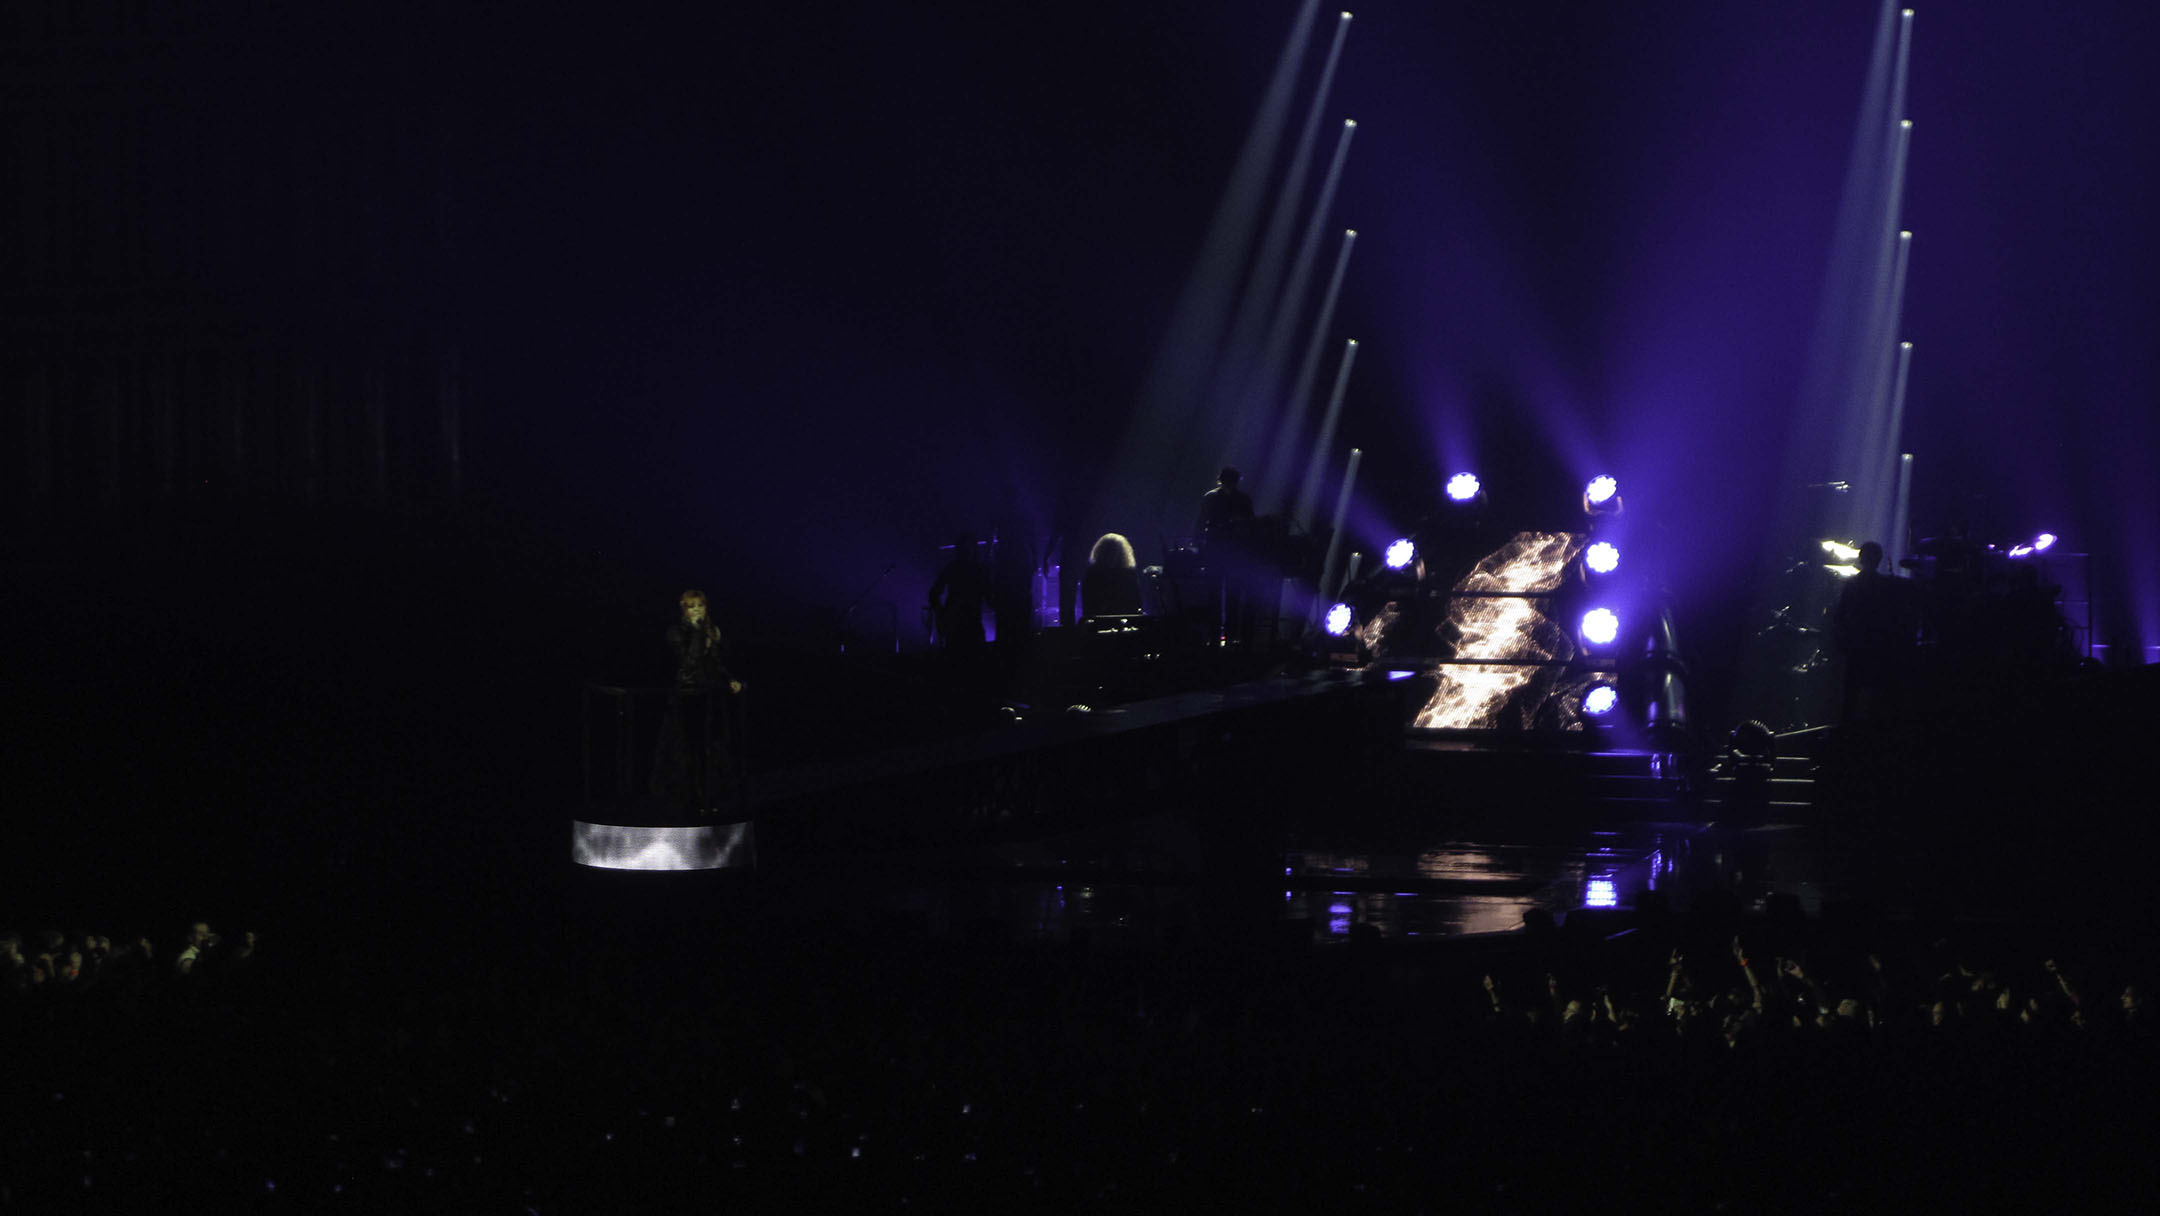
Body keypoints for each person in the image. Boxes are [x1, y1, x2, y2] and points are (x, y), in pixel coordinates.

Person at [655, 590, 744, 814]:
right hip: (686, 697)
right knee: (687, 749)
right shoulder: (676, 633)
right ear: (684, 610)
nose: (696, 611)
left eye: (700, 606)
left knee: (711, 749)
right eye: (691, 607)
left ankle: (710, 798)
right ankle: (687, 799)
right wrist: (696, 633)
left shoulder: (712, 631)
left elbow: (715, 663)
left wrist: (730, 679)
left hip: (709, 697)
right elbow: (688, 663)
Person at [1833, 542, 1917, 723]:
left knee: (1852, 695)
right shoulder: (1887, 585)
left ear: (1861, 558)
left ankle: (1847, 734)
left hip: (1857, 645)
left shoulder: (1852, 584)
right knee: (1878, 694)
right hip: (1878, 645)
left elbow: (1839, 615)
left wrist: (1842, 640)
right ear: (1878, 560)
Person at [927, 533, 990, 649]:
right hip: (964, 623)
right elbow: (934, 593)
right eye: (964, 547)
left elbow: (934, 593)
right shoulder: (976, 569)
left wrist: (941, 614)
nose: (966, 550)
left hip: (963, 622)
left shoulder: (954, 568)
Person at [1080, 533, 1144, 617]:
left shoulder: (1128, 574)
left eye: (1114, 551)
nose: (1112, 555)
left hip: (1121, 617)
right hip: (1104, 619)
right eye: (1109, 551)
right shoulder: (1093, 573)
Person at [1194, 466, 1253, 551]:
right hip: (1219, 538)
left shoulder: (1211, 496)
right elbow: (1202, 519)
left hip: (1229, 539)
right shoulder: (1243, 498)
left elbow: (1201, 520)